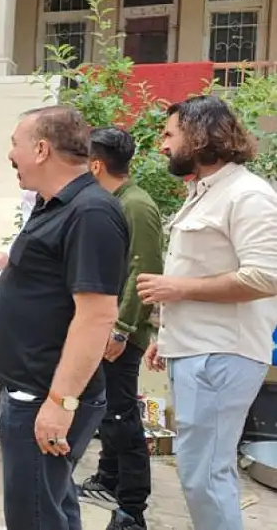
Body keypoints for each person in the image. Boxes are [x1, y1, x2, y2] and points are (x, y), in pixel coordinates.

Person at [0, 106, 128, 530]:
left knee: (33, 516)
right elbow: (34, 290)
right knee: (53, 505)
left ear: (40, 148)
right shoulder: (53, 205)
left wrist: (60, 403)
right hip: (31, 392)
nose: (9, 155)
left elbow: (96, 316)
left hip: (44, 397)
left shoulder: (91, 214)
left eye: (14, 144)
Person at [137, 95, 277, 530]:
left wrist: (177, 289)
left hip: (223, 356)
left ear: (199, 136)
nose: (161, 144)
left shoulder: (248, 194)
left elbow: (267, 277)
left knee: (206, 477)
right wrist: (171, 335)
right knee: (201, 474)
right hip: (199, 351)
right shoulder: (206, 193)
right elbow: (207, 272)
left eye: (169, 134)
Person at [76, 128, 162, 530]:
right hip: (106, 327)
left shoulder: (136, 206)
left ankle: (132, 507)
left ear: (96, 164)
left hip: (121, 333)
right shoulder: (113, 202)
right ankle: (108, 479)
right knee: (108, 410)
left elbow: (142, 272)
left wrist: (123, 328)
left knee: (122, 415)